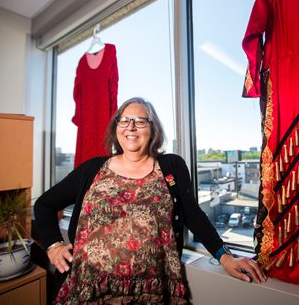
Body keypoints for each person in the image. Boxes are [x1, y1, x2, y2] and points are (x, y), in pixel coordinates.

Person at [34, 97, 267, 304]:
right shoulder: (92, 169)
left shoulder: (171, 166)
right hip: (87, 290)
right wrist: (53, 245)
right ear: (116, 127)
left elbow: (193, 215)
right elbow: (44, 204)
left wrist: (224, 256)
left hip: (151, 294)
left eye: (140, 121)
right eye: (124, 120)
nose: (131, 127)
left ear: (152, 129)